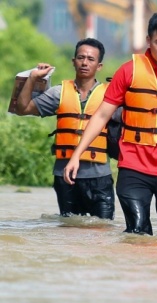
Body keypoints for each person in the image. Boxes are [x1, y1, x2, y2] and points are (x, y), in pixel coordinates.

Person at [63, 11, 157, 238]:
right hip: (133, 166)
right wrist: (75, 155)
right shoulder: (128, 70)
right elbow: (101, 115)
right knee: (137, 231)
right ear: (148, 40)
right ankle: (135, 272)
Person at [15, 38, 115, 220]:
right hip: (65, 176)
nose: (85, 62)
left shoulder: (110, 95)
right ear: (73, 61)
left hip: (100, 177)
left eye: (91, 59)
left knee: (103, 231)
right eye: (81, 57)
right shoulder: (58, 92)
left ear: (99, 66)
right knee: (70, 230)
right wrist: (32, 78)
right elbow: (23, 109)